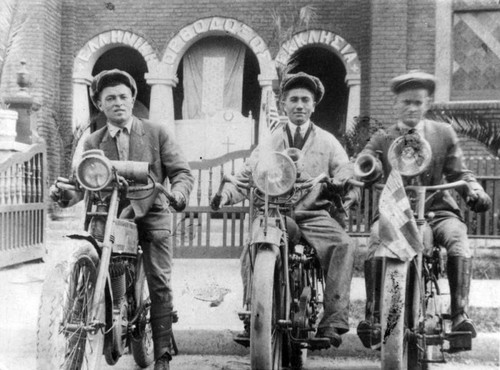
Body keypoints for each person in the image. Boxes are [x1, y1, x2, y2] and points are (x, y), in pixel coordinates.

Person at [50, 69, 194, 370]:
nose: (118, 103)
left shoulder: (157, 133)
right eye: (110, 98)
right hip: (110, 214)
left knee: (159, 281)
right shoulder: (92, 142)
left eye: (123, 97)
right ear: (100, 105)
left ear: (132, 99)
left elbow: (181, 172)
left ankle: (163, 354)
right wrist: (65, 194)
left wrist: (178, 194)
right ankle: (91, 313)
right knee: (92, 252)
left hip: (151, 213)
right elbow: (83, 182)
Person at [211, 72, 359, 348]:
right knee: (254, 245)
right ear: (284, 105)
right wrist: (225, 195)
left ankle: (333, 322)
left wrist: (340, 182)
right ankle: (253, 316)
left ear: (314, 105)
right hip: (277, 214)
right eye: (294, 100)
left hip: (313, 214)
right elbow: (246, 178)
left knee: (344, 245)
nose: (300, 105)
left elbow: (345, 170)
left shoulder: (328, 142)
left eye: (306, 100)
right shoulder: (269, 142)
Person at [356, 70, 492, 351]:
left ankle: (459, 316)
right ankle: (373, 316)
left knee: (457, 239)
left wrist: (474, 190)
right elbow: (365, 159)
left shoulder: (443, 133)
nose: (411, 107)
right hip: (396, 211)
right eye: (406, 102)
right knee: (373, 241)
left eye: (417, 102)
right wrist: (369, 164)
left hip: (437, 210)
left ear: (427, 103)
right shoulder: (383, 137)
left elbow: (461, 172)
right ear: (396, 104)